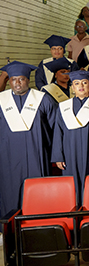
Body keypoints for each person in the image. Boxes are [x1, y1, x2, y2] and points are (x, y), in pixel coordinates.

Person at [0, 62, 57, 219]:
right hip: (7, 157)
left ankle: (39, 225)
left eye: (21, 79)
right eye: (13, 79)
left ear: (28, 79)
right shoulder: (1, 101)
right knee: (9, 192)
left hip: (36, 154)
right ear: (9, 81)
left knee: (37, 192)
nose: (17, 83)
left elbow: (55, 128)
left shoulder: (43, 100)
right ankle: (8, 229)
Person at [51, 70, 89, 205]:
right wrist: (58, 156)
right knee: (71, 183)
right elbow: (58, 132)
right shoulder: (63, 107)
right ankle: (73, 209)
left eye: (84, 83)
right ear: (72, 87)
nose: (81, 86)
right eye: (77, 83)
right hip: (69, 150)